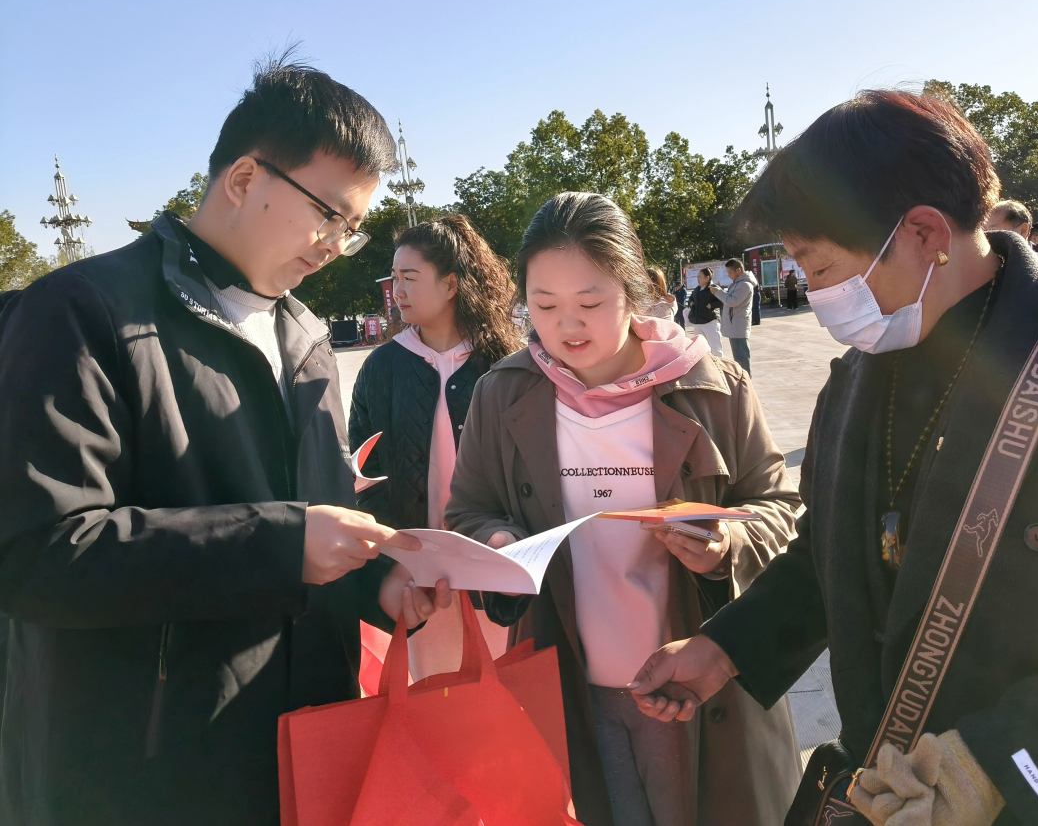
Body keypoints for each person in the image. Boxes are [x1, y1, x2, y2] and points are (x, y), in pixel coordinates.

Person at [630, 90, 1038, 825]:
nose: (816, 296)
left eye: (821, 268)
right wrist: (725, 649)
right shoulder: (860, 375)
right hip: (887, 791)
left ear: (924, 232)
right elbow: (829, 553)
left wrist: (993, 764)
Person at [0, 57, 453, 826]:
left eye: (353, 229)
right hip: (152, 774)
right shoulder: (81, 312)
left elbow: (312, 525)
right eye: (330, 215)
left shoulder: (306, 336)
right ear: (244, 178)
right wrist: (282, 544)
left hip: (308, 748)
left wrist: (376, 585)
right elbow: (37, 555)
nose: (336, 245)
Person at [445, 192, 803, 826]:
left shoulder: (712, 387)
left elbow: (779, 506)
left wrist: (727, 546)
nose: (568, 326)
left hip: (696, 681)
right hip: (571, 683)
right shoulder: (502, 395)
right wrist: (497, 542)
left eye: (590, 303)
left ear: (633, 292)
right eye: (544, 305)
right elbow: (468, 510)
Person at [348, 215, 522, 680]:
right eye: (394, 277)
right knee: (435, 692)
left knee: (502, 691)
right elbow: (365, 474)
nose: (396, 290)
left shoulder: (503, 362)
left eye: (410, 277)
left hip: (495, 564)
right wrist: (395, 557)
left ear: (450, 284)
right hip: (419, 574)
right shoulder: (382, 367)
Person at [711, 257, 755, 376]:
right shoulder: (738, 284)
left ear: (738, 270)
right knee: (738, 357)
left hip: (738, 326)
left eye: (730, 272)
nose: (729, 275)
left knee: (741, 358)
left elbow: (733, 301)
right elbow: (729, 298)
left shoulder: (745, 285)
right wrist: (719, 291)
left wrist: (718, 292)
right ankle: (743, 380)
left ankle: (745, 381)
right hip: (735, 325)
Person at [686, 267, 723, 355]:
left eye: (700, 276)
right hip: (698, 322)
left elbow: (722, 300)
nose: (697, 279)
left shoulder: (713, 288)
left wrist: (711, 305)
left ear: (707, 278)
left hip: (710, 322)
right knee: (700, 348)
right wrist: (691, 303)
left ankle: (719, 363)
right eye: (697, 277)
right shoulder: (697, 289)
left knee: (715, 348)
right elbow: (690, 299)